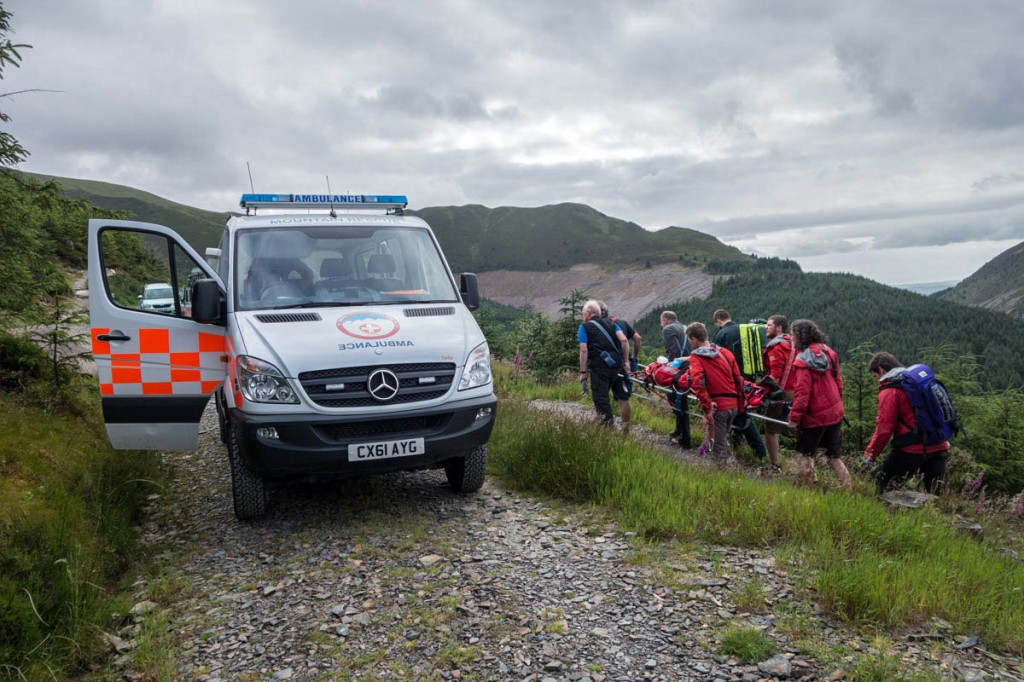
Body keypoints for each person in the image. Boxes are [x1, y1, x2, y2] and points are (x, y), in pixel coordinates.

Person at [864, 352, 950, 495]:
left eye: (875, 376)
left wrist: (870, 454)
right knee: (937, 495)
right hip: (939, 444)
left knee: (884, 486)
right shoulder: (916, 383)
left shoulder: (890, 391)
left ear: (881, 370)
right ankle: (937, 517)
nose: (876, 380)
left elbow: (884, 429)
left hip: (912, 448)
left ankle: (887, 515)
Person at [785, 319, 852, 492]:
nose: (791, 338)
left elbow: (802, 395)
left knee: (804, 455)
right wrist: (836, 404)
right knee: (834, 458)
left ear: (800, 336)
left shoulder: (802, 361)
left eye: (793, 335)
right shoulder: (828, 352)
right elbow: (839, 382)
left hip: (813, 417)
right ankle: (848, 491)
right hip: (835, 413)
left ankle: (809, 491)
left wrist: (793, 419)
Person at [712, 309, 767, 460]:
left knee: (741, 414)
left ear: (718, 320)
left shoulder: (721, 335)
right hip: (750, 378)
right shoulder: (745, 329)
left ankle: (758, 451)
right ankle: (748, 449)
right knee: (741, 412)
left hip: (732, 380)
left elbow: (715, 359)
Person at [685, 322, 745, 461]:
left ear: (694, 339)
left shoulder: (697, 357)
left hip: (717, 406)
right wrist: (740, 402)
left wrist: (706, 407)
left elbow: (698, 383)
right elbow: (738, 379)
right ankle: (726, 464)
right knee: (721, 438)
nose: (690, 343)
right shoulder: (725, 353)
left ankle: (723, 474)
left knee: (718, 445)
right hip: (733, 405)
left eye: (690, 340)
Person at [578, 300, 632, 433]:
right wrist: (626, 361)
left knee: (601, 398)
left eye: (583, 313)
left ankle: (608, 430)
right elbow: (624, 340)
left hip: (599, 368)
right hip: (617, 367)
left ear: (588, 313)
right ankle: (625, 430)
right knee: (622, 397)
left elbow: (583, 350)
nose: (582, 315)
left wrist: (583, 371)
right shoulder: (612, 324)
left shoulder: (584, 327)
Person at [761, 314, 796, 469]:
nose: (766, 328)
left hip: (781, 393)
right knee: (796, 429)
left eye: (769, 325)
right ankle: (807, 466)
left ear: (779, 327)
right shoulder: (794, 344)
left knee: (770, 429)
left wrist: (760, 389)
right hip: (798, 391)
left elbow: (775, 375)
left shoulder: (776, 346)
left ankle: (775, 464)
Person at [660, 311, 691, 447]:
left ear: (665, 320)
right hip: (691, 367)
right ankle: (681, 432)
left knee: (676, 399)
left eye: (661, 321)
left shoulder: (668, 329)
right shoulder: (684, 327)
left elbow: (675, 351)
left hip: (681, 370)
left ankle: (684, 438)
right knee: (681, 401)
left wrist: (670, 368)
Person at [599, 300, 641, 373]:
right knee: (626, 381)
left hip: (608, 360)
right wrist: (634, 358)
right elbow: (637, 338)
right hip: (625, 358)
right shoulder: (622, 322)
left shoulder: (599, 325)